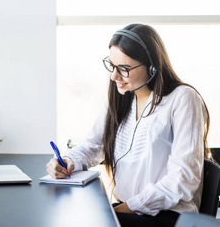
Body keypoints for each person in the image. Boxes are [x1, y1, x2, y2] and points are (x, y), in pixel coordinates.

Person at [46, 24, 210, 227]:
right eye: (112, 66)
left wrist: (129, 206)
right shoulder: (122, 97)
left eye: (124, 69)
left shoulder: (182, 99)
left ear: (152, 67)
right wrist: (67, 161)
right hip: (128, 209)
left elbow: (183, 179)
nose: (114, 76)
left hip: (165, 215)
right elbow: (94, 145)